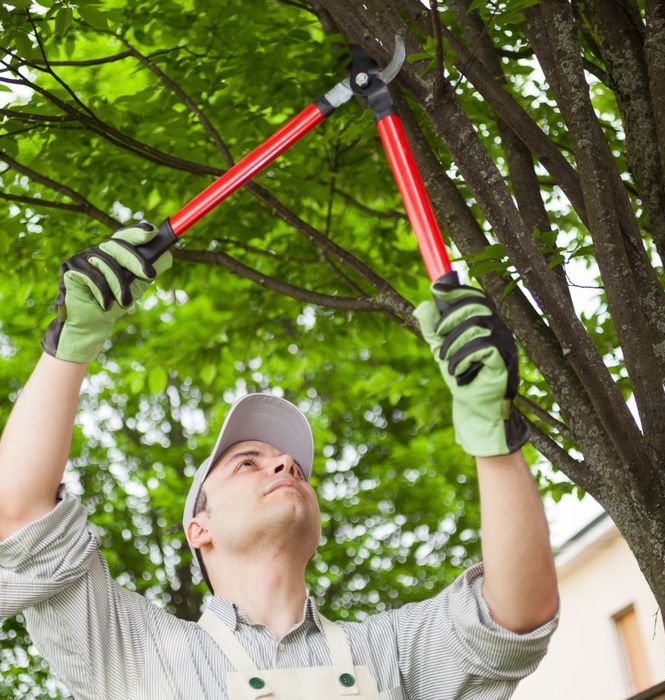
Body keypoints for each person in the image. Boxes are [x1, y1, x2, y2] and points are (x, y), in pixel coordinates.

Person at [0, 224, 559, 700]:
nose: (285, 466)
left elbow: (515, 617)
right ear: (199, 528)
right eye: (249, 462)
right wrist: (70, 344)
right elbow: (21, 514)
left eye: (293, 466)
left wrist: (495, 436)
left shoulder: (391, 650)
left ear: (315, 536)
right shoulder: (135, 652)